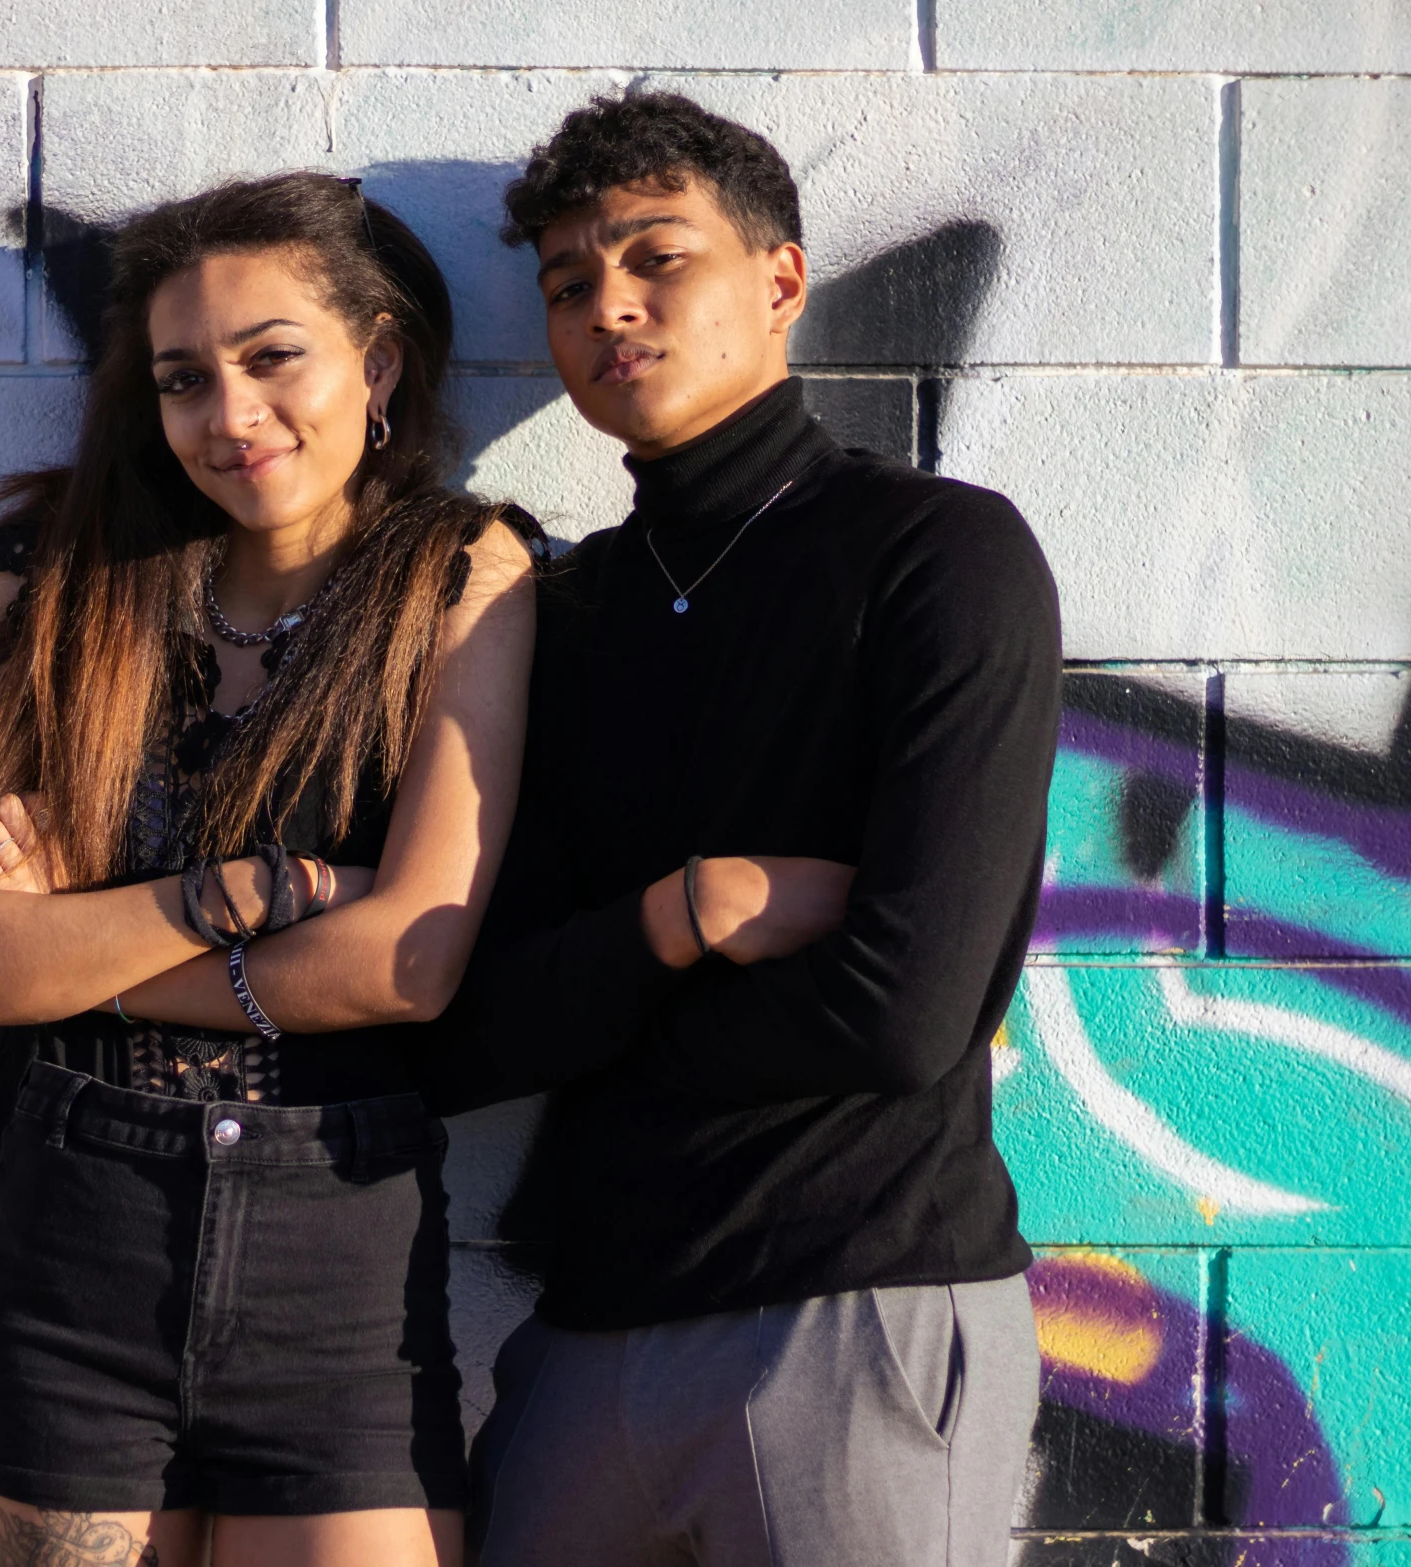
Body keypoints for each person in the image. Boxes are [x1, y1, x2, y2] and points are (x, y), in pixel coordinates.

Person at [418, 91, 1062, 1566]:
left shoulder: (934, 556)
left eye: (657, 259)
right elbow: (462, 1035)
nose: (610, 308)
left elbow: (903, 1014)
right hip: (588, 1333)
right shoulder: (550, 619)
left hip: (858, 1313)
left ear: (779, 279)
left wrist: (603, 1014)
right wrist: (682, 915)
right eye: (569, 284)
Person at [0, 172, 535, 1567]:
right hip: (77, 1231)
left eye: (270, 359)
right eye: (185, 379)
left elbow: (405, 963)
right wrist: (233, 899)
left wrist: (69, 938)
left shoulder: (459, 572)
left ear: (374, 362)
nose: (228, 415)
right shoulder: (53, 570)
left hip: (338, 1251)